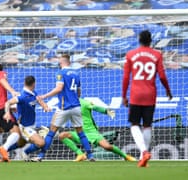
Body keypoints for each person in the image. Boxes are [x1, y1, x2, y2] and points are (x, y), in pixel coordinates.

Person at [122, 30, 172, 167]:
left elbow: (126, 77)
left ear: (139, 40)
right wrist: (168, 90)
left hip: (135, 94)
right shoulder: (157, 54)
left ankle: (143, 152)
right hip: (150, 94)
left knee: (134, 124)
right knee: (147, 125)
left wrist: (123, 96)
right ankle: (143, 157)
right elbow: (162, 76)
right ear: (151, 40)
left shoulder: (131, 54)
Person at [30, 54, 93, 161]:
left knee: (51, 132)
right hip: (76, 107)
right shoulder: (76, 74)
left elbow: (59, 88)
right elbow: (78, 92)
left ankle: (40, 156)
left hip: (64, 108)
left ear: (61, 62)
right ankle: (90, 156)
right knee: (81, 133)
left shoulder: (60, 73)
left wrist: (44, 96)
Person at [59, 98, 136, 162]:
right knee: (62, 135)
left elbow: (96, 107)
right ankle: (80, 154)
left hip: (92, 133)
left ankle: (126, 156)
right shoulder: (67, 106)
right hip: (79, 133)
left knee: (107, 146)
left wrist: (107, 111)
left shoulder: (84, 103)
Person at [2, 75, 51, 161]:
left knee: (20, 143)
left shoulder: (33, 93)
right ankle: (25, 152)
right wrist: (7, 113)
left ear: (24, 83)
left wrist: (45, 107)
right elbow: (8, 102)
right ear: (34, 84)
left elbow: (39, 100)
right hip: (24, 127)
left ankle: (3, 151)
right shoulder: (22, 96)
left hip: (31, 125)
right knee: (41, 143)